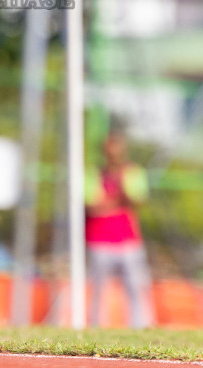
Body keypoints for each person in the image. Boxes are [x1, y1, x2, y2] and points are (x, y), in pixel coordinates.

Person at [85, 127, 154, 328]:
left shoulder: (133, 172)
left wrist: (117, 193)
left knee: (136, 287)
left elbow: (136, 201)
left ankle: (141, 327)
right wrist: (118, 201)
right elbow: (92, 206)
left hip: (128, 240)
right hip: (99, 240)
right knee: (98, 289)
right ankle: (95, 328)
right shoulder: (93, 174)